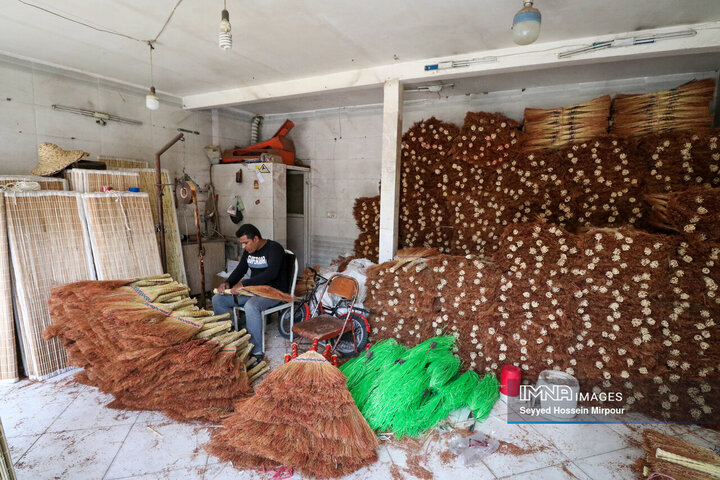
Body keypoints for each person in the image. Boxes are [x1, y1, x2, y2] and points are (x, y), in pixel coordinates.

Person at [212, 224, 288, 363]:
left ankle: (256, 350)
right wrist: (228, 283)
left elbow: (271, 274)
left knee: (251, 306)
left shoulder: (274, 249)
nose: (243, 247)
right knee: (218, 299)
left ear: (256, 239)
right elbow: (240, 269)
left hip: (273, 292)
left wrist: (244, 284)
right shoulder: (249, 251)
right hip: (252, 291)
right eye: (241, 244)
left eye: (245, 243)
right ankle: (225, 339)